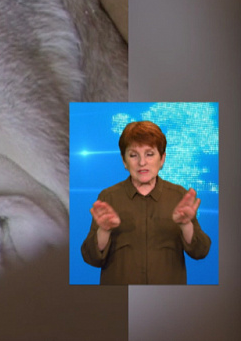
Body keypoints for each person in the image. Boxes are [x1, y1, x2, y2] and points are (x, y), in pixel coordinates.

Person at [81, 121, 211, 284]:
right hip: (120, 301)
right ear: (124, 161)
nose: (142, 162)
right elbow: (90, 258)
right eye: (133, 155)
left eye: (149, 154)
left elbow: (201, 251)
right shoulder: (108, 198)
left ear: (162, 158)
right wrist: (104, 231)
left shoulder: (179, 197)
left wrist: (186, 225)